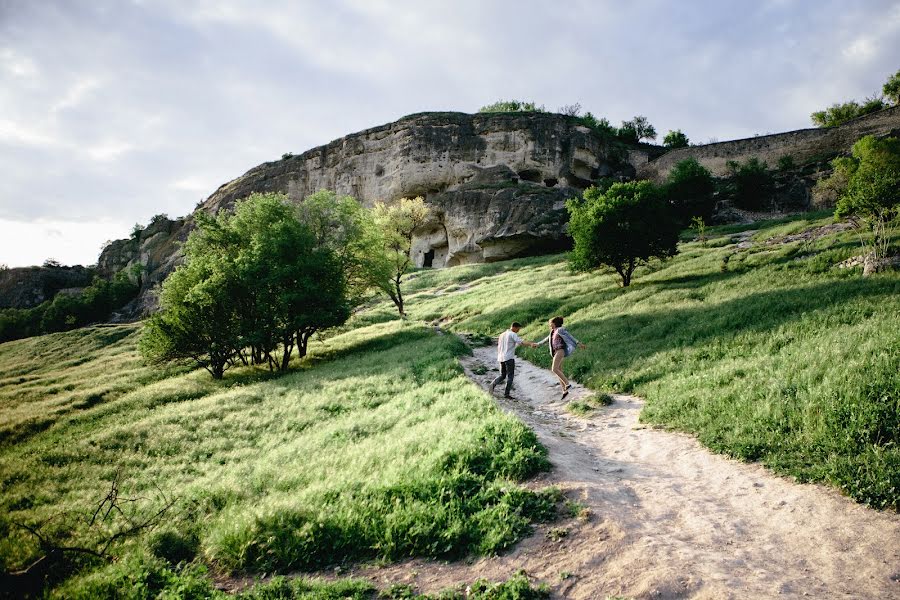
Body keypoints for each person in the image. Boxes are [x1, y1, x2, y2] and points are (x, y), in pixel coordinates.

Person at [535, 316, 586, 399]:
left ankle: (567, 384)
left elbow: (570, 336)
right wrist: (537, 344)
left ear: (554, 323)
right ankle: (564, 390)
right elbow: (546, 340)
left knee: (554, 369)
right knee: (559, 370)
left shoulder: (560, 329)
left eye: (550, 323)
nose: (549, 325)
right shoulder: (552, 331)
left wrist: (579, 343)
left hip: (560, 350)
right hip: (555, 352)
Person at [489, 322, 536, 399]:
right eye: (518, 329)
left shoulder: (502, 334)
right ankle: (506, 394)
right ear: (514, 327)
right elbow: (521, 342)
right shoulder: (512, 334)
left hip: (501, 357)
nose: (518, 331)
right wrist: (531, 344)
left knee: (502, 375)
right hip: (509, 357)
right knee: (510, 376)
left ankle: (492, 384)